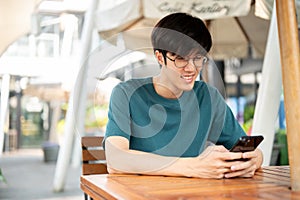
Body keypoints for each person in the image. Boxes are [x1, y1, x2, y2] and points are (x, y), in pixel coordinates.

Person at [104, 12, 263, 179]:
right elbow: (116, 160)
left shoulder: (208, 97)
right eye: (180, 59)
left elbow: (247, 148)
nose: (191, 68)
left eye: (198, 58)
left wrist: (256, 159)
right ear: (160, 57)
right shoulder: (126, 94)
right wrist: (191, 167)